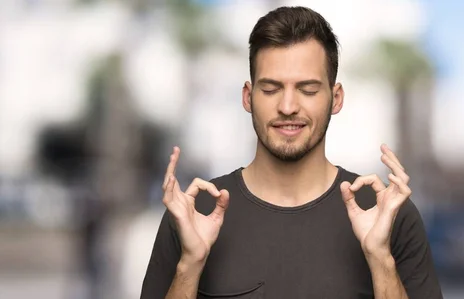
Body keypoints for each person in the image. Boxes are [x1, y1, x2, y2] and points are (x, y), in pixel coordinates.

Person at [141, 6, 442, 299]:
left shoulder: (387, 215)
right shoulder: (194, 213)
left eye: (308, 90)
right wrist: (190, 265)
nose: (287, 107)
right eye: (271, 89)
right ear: (248, 97)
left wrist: (380, 259)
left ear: (335, 99)